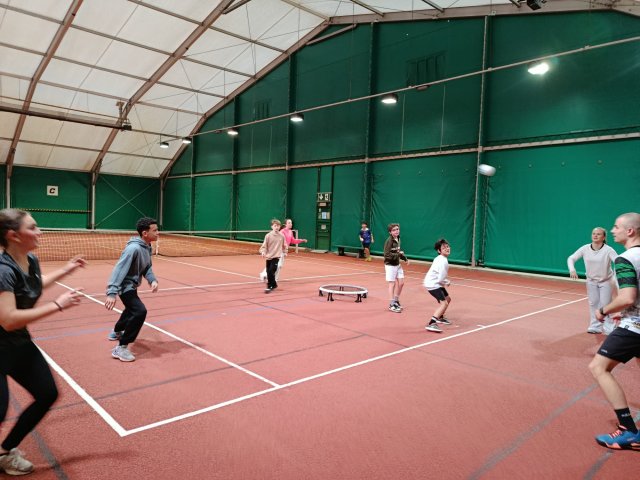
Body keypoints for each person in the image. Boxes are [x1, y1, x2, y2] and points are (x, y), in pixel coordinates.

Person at [0, 209, 85, 475]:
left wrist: (66, 270)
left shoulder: (31, 260)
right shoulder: (3, 271)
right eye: (33, 227)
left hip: (19, 343)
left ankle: (4, 451)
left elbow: (34, 285)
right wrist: (58, 305)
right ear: (13, 235)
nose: (40, 232)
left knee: (47, 393)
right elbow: (9, 319)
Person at [589, 212, 640, 451]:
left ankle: (628, 431)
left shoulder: (625, 258)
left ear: (630, 231)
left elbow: (627, 297)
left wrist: (604, 310)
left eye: (616, 227)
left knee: (598, 367)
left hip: (635, 327)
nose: (612, 230)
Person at [105, 217, 159, 362]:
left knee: (131, 309)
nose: (158, 233)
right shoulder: (133, 249)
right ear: (145, 233)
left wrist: (152, 279)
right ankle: (121, 347)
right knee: (140, 311)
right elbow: (119, 270)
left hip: (132, 285)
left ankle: (116, 331)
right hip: (124, 286)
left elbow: (147, 267)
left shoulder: (147, 247)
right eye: (155, 230)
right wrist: (112, 292)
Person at [568, 227, 618, 334]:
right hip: (591, 281)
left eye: (598, 234)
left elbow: (618, 262)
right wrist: (572, 269)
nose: (595, 235)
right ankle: (595, 326)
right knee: (593, 303)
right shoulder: (585, 248)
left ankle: (609, 327)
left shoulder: (609, 250)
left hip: (606, 281)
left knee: (606, 304)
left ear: (603, 237)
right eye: (594, 233)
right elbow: (571, 258)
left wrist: (615, 276)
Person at [423, 239, 452, 333]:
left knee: (448, 299)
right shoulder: (443, 261)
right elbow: (440, 279)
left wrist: (444, 281)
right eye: (444, 248)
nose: (447, 248)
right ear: (439, 251)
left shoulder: (440, 258)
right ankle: (432, 323)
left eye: (447, 246)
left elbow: (440, 278)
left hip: (435, 283)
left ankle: (440, 317)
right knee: (444, 303)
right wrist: (447, 282)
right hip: (433, 284)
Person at [383, 223, 408, 313]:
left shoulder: (398, 238)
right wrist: (398, 254)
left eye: (397, 229)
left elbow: (398, 252)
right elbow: (387, 255)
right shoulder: (389, 241)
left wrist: (404, 258)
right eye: (394, 230)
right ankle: (391, 304)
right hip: (390, 265)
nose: (396, 231)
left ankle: (396, 300)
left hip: (398, 264)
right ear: (390, 232)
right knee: (392, 284)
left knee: (401, 283)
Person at [259, 219, 286, 293]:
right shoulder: (268, 236)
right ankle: (274, 284)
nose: (277, 227)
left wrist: (285, 252)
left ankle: (269, 286)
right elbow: (264, 245)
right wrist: (263, 252)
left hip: (276, 257)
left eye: (278, 226)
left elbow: (284, 245)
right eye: (275, 226)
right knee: (268, 272)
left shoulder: (282, 236)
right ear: (272, 227)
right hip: (269, 257)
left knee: (271, 271)